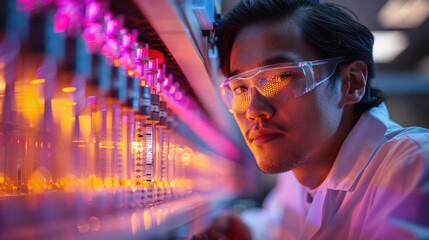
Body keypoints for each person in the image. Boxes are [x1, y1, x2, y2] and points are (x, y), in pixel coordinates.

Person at [194, 0, 429, 239]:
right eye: (240, 88)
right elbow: (280, 223)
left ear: (353, 82)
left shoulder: (414, 165)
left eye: (281, 77)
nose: (253, 109)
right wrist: (247, 230)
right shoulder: (301, 165)